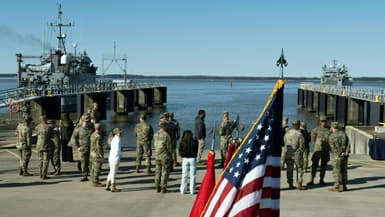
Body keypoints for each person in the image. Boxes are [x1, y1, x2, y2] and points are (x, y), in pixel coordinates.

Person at [307, 116, 331, 186]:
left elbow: (331, 139)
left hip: (326, 150)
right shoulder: (316, 129)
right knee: (314, 165)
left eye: (325, 121)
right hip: (317, 150)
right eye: (322, 121)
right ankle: (311, 180)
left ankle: (321, 180)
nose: (323, 122)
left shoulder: (329, 130)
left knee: (324, 165)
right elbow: (313, 139)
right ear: (320, 122)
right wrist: (316, 145)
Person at [283, 120, 306, 190]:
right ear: (299, 125)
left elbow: (284, 142)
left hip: (288, 153)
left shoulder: (287, 133)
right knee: (299, 168)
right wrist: (301, 152)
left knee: (289, 169)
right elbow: (302, 145)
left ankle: (290, 184)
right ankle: (299, 184)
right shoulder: (299, 134)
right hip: (297, 153)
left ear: (292, 125)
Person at [328, 122, 350, 192]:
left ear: (332, 127)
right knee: (344, 171)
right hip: (345, 155)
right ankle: (344, 186)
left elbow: (332, 147)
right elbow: (348, 144)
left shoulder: (332, 136)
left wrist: (340, 152)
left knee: (336, 171)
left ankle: (337, 186)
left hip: (337, 156)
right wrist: (346, 152)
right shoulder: (344, 134)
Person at [72, 115, 94, 182]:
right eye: (85, 121)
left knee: (91, 162)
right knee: (84, 163)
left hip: (91, 148)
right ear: (82, 121)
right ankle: (84, 175)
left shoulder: (91, 128)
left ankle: (93, 176)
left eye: (88, 121)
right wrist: (77, 147)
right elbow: (73, 139)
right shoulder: (78, 129)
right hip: (82, 149)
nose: (87, 123)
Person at [154, 122, 172, 193]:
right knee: (164, 172)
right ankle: (163, 188)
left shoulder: (155, 134)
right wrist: (170, 155)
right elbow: (169, 147)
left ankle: (157, 187)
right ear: (164, 126)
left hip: (157, 156)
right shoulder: (166, 135)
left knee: (158, 172)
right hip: (164, 156)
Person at [179, 130, 198, 195]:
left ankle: (183, 190)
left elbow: (180, 150)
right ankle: (192, 190)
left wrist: (182, 155)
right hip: (192, 158)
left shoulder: (182, 142)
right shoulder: (195, 142)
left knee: (184, 174)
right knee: (193, 175)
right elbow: (196, 150)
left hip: (185, 158)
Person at [35, 115, 52, 180]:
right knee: (46, 161)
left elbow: (36, 134)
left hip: (39, 145)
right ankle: (44, 174)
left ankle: (40, 174)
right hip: (46, 146)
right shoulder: (49, 127)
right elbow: (52, 135)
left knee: (40, 160)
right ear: (46, 119)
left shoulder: (37, 127)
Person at [105, 128, 122, 192]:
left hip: (111, 157)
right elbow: (117, 150)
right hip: (115, 158)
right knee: (114, 173)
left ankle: (107, 185)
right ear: (117, 133)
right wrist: (120, 156)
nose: (121, 133)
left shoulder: (113, 139)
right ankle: (113, 187)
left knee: (111, 171)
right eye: (120, 132)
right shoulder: (118, 139)